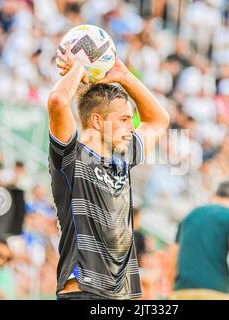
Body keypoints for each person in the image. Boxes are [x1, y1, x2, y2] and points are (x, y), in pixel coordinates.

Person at [48, 42, 169, 300]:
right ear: (97, 121)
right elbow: (58, 101)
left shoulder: (123, 159)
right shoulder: (71, 158)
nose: (131, 126)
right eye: (124, 119)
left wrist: (124, 76)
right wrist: (79, 68)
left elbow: (159, 120)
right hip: (84, 291)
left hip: (120, 295)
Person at [169, 180, 229, 300]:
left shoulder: (189, 217)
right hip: (215, 291)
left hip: (182, 290)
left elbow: (172, 259)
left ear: (214, 194)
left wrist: (173, 291)